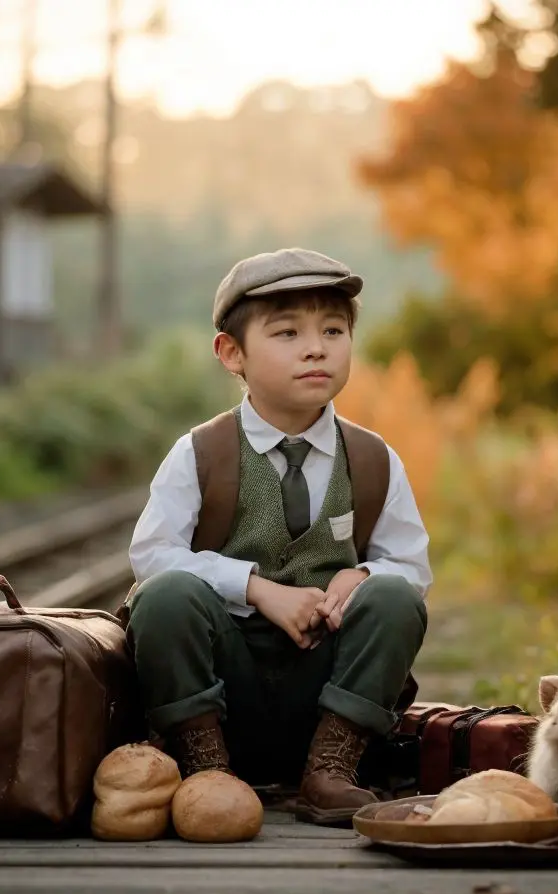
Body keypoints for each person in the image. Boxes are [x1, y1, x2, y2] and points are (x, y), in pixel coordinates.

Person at [126, 248, 432, 826]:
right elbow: (150, 555)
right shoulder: (200, 454)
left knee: (396, 596)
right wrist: (255, 588)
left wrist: (364, 574)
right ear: (231, 352)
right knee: (164, 595)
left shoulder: (372, 459)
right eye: (287, 333)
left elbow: (411, 564)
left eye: (334, 330)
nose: (317, 347)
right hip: (221, 691)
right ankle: (207, 773)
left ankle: (330, 771)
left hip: (328, 696)